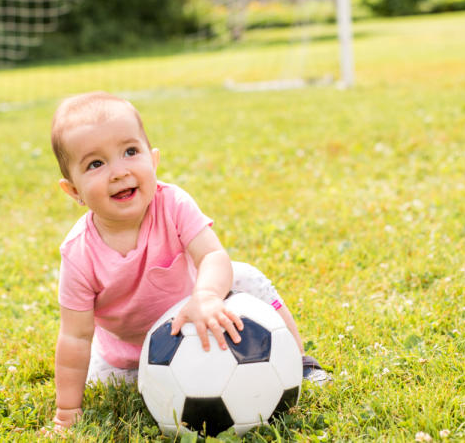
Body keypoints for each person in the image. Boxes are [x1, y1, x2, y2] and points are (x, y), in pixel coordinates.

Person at [48, 91, 329, 431]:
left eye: (130, 152)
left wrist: (206, 296)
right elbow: (75, 337)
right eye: (96, 164)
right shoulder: (78, 252)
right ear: (73, 190)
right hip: (127, 357)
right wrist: (67, 411)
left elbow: (211, 254)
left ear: (153, 160)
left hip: (196, 310)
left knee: (245, 276)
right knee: (112, 388)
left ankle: (296, 363)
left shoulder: (173, 204)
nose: (119, 172)